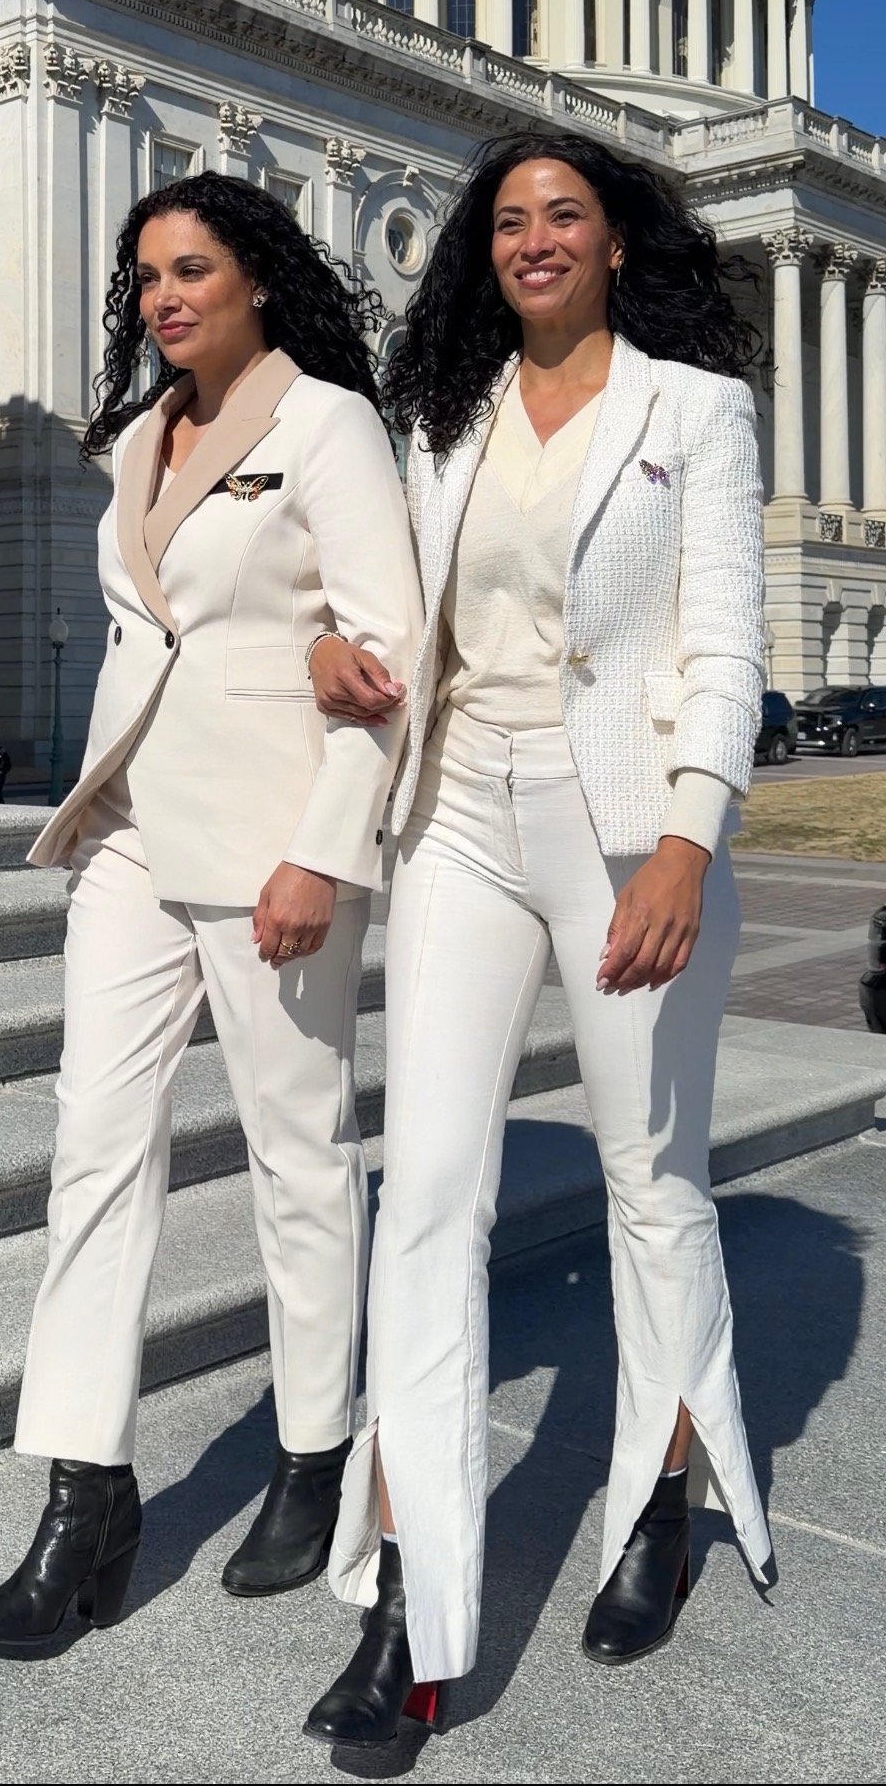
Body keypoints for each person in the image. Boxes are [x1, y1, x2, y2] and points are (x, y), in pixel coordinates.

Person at [302, 129, 773, 1748]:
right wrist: (330, 654)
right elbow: (379, 604)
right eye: (507, 220)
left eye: (563, 213)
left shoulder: (697, 411)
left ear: (619, 241)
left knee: (653, 1178)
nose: (533, 237)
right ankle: (412, 1598)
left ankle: (662, 1492)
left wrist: (690, 843)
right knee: (427, 1193)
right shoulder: (446, 415)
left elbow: (726, 647)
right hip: (458, 821)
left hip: (631, 826)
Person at [0, 171, 422, 1655]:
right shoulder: (133, 444)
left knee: (298, 1154)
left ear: (261, 281)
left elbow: (385, 645)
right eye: (148, 276)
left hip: (271, 850)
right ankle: (82, 1493)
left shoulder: (328, 426)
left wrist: (322, 852)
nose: (165, 296)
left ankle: (310, 1446)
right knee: (93, 1146)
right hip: (130, 835)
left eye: (194, 270)